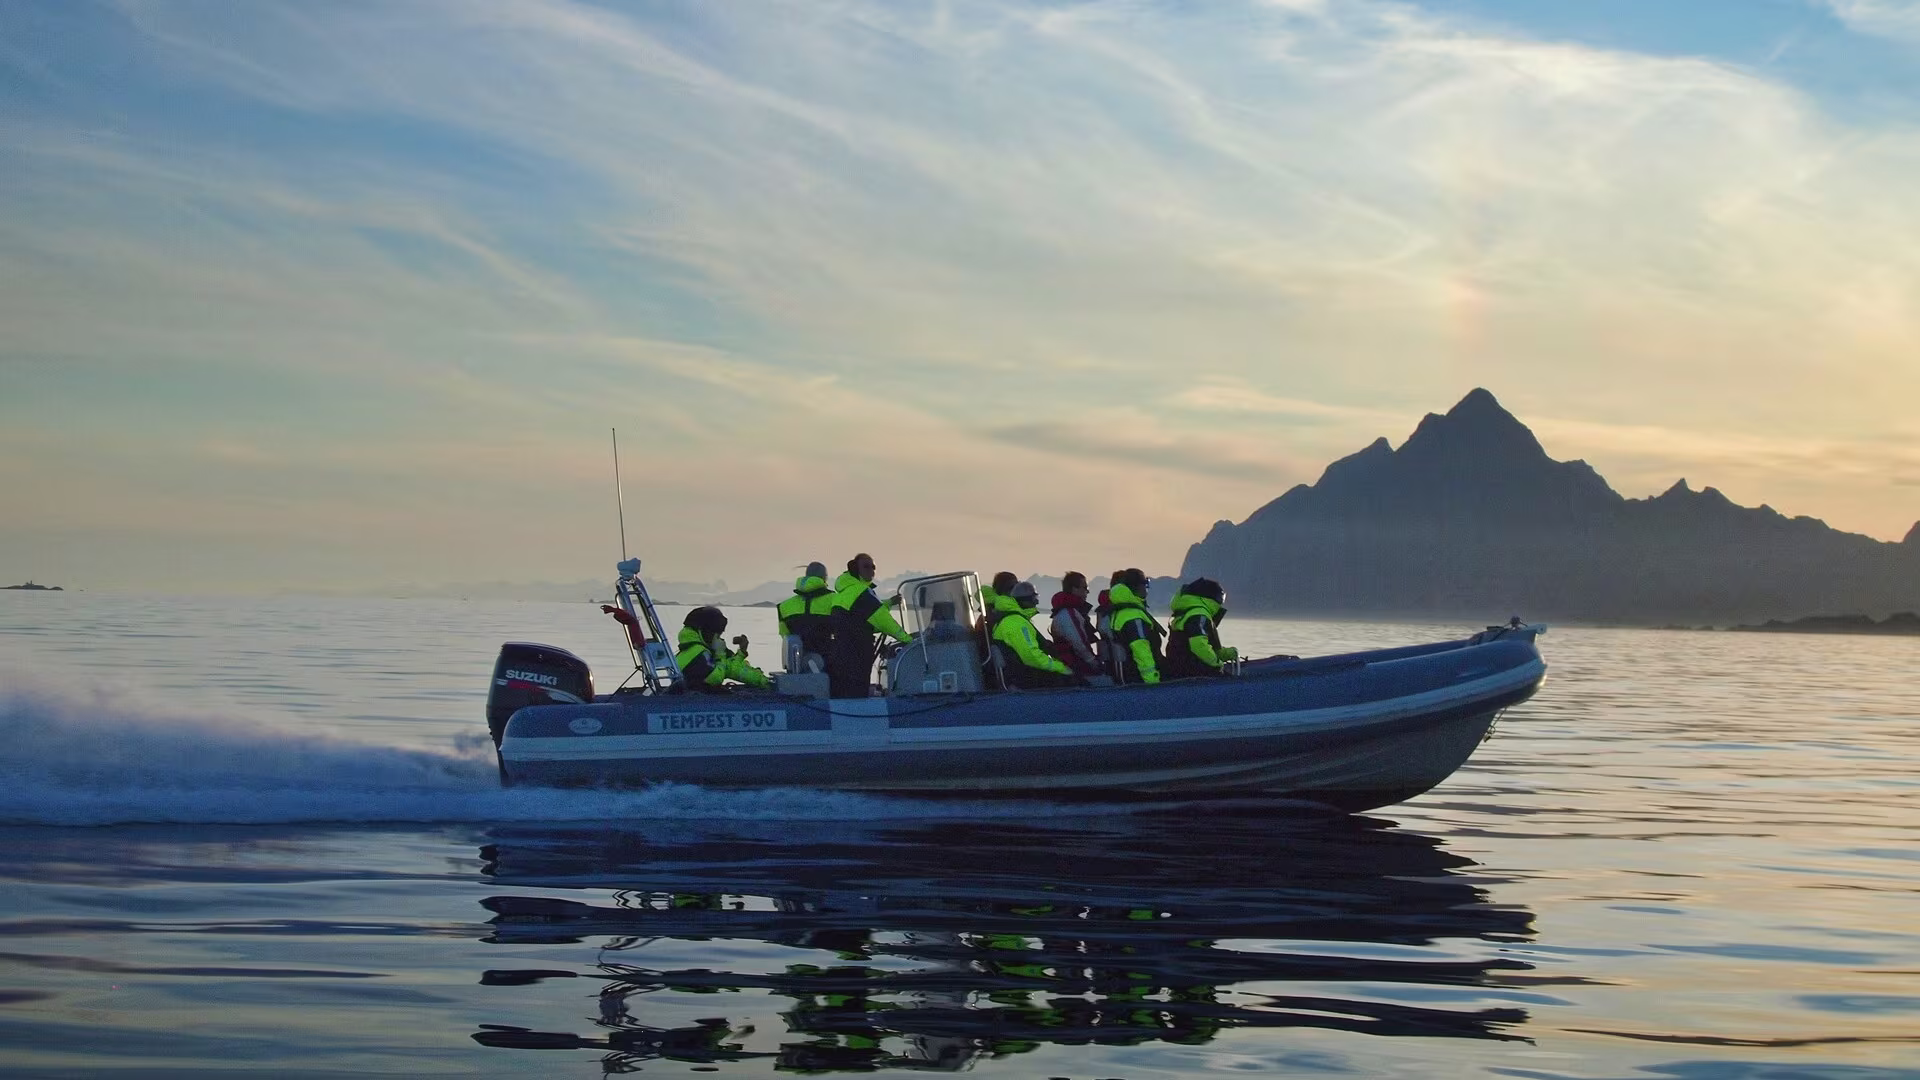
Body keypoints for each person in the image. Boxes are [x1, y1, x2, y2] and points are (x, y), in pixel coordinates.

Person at [826, 553, 913, 697]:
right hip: (857, 652)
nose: (871, 570)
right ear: (855, 569)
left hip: (843, 650)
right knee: (858, 690)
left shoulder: (846, 592)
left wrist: (889, 603)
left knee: (847, 690)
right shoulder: (861, 592)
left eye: (873, 567)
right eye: (866, 567)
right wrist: (909, 641)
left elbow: (863, 616)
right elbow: (884, 621)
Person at [991, 581, 1077, 689]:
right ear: (1025, 600)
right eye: (1034, 598)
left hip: (1018, 676)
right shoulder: (1017, 623)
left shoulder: (1011, 619)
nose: (1036, 603)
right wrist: (1063, 668)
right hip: (1024, 680)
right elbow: (1031, 657)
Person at [675, 606, 771, 692]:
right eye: (717, 634)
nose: (719, 638)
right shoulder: (696, 652)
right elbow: (714, 678)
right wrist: (720, 654)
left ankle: (767, 683)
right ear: (704, 631)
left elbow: (730, 667)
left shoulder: (701, 649)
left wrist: (741, 652)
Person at [1162, 577, 1239, 679]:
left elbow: (1207, 647)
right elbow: (1199, 646)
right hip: (1193, 673)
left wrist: (1228, 654)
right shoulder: (1199, 614)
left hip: (1179, 669)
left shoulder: (1189, 612)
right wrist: (1218, 665)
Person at [1107, 568, 1165, 685]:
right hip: (1140, 680)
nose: (1146, 587)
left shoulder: (1121, 612)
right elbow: (1141, 652)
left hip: (1129, 677)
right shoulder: (1134, 616)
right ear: (1136, 586)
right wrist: (1153, 682)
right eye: (1145, 583)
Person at [776, 561, 836, 673]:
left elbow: (785, 636)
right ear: (825, 578)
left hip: (796, 668)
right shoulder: (835, 600)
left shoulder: (784, 606)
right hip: (828, 669)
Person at [1048, 571, 1100, 676]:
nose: (1087, 592)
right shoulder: (1069, 614)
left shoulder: (1065, 612)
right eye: (1085, 588)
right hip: (1076, 667)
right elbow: (1079, 643)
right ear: (1074, 589)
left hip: (1071, 665)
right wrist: (1094, 663)